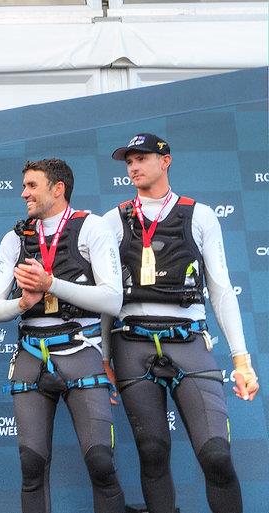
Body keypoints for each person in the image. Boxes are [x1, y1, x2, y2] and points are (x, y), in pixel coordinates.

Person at [101, 133, 259, 513]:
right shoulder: (112, 220)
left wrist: (241, 359)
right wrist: (105, 359)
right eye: (129, 161)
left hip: (188, 340)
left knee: (216, 455)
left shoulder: (200, 214)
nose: (133, 167)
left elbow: (221, 289)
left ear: (165, 160)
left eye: (141, 159)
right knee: (152, 453)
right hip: (132, 344)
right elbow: (106, 300)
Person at [0, 158, 126, 513]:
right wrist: (22, 302)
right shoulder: (14, 238)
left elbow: (112, 298)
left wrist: (51, 285)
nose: (24, 193)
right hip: (31, 355)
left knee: (100, 463)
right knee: (31, 467)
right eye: (23, 186)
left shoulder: (92, 227)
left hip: (81, 348)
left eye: (32, 186)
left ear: (57, 188)